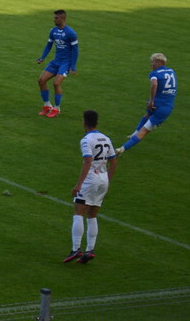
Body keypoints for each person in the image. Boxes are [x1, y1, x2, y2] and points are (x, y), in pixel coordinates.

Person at [63, 110, 117, 264]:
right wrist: (107, 180)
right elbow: (113, 161)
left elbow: (87, 161)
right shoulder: (106, 139)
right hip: (103, 179)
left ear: (84, 122)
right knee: (92, 215)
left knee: (78, 212)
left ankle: (75, 249)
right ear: (97, 122)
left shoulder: (86, 140)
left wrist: (79, 184)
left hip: (90, 179)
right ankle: (90, 250)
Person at [116, 53, 177, 155]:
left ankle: (124, 147)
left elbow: (154, 83)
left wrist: (152, 100)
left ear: (158, 62)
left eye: (152, 62)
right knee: (146, 122)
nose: (151, 64)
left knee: (145, 125)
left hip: (156, 103)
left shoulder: (155, 74)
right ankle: (127, 142)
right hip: (166, 106)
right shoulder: (172, 71)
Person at [36, 9, 78, 118]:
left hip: (65, 63)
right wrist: (42, 58)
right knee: (41, 80)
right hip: (56, 61)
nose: (54, 19)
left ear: (62, 18)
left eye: (56, 18)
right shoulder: (53, 31)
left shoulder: (70, 33)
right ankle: (47, 105)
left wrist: (73, 66)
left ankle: (57, 108)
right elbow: (49, 45)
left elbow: (75, 50)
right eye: (54, 17)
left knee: (56, 83)